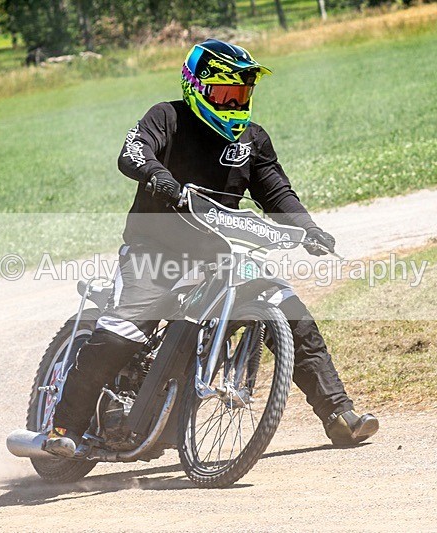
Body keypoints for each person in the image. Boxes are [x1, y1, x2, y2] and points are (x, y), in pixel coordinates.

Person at [46, 39, 378, 458]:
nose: (235, 103)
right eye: (225, 93)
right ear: (197, 88)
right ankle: (63, 427)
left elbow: (277, 192)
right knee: (122, 332)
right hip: (155, 250)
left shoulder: (252, 140)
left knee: (289, 310)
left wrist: (306, 228)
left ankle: (340, 415)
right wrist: (158, 177)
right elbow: (132, 153)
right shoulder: (166, 117)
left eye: (242, 94)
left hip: (219, 256)